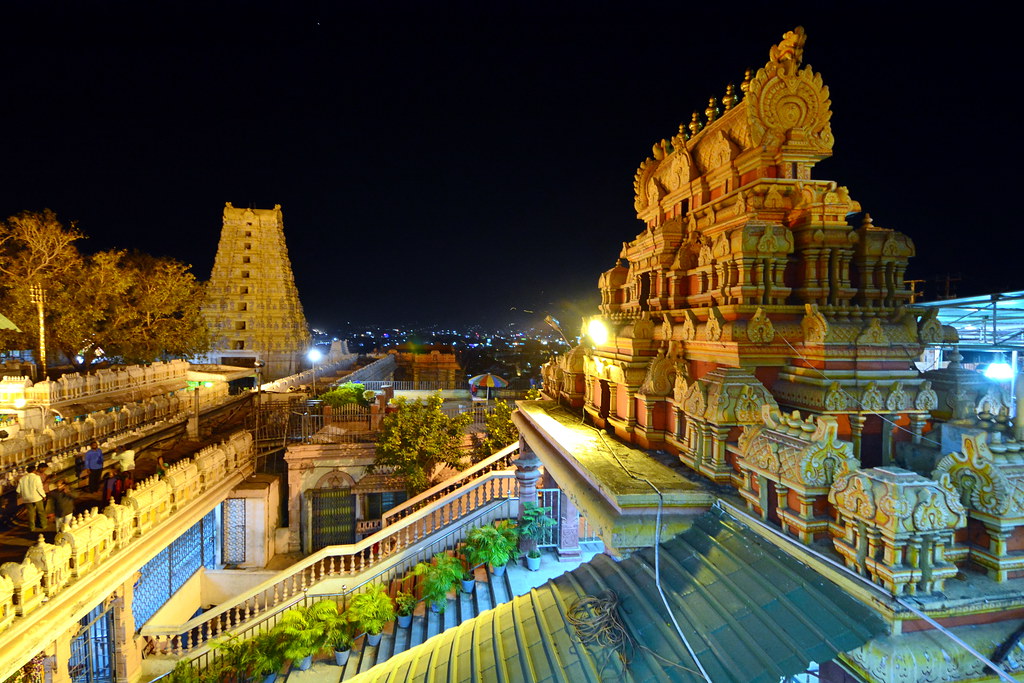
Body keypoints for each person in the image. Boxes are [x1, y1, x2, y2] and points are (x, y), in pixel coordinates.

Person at [16, 464, 46, 532]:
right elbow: (39, 488)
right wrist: (44, 495)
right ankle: (44, 525)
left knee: (30, 513)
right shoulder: (37, 477)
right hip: (36, 497)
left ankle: (32, 527)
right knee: (41, 512)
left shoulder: (22, 479)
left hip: (26, 498)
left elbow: (18, 490)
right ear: (34, 470)